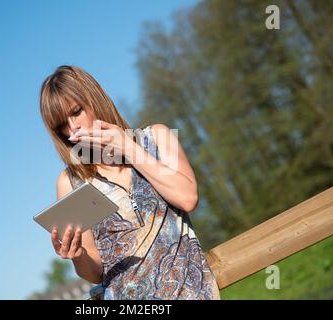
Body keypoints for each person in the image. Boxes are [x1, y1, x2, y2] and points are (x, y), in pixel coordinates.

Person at [39, 65, 220, 300]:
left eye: (76, 112)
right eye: (62, 124)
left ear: (94, 99)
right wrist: (77, 255)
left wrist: (127, 147)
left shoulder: (158, 137)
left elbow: (188, 198)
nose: (72, 128)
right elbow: (95, 272)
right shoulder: (70, 182)